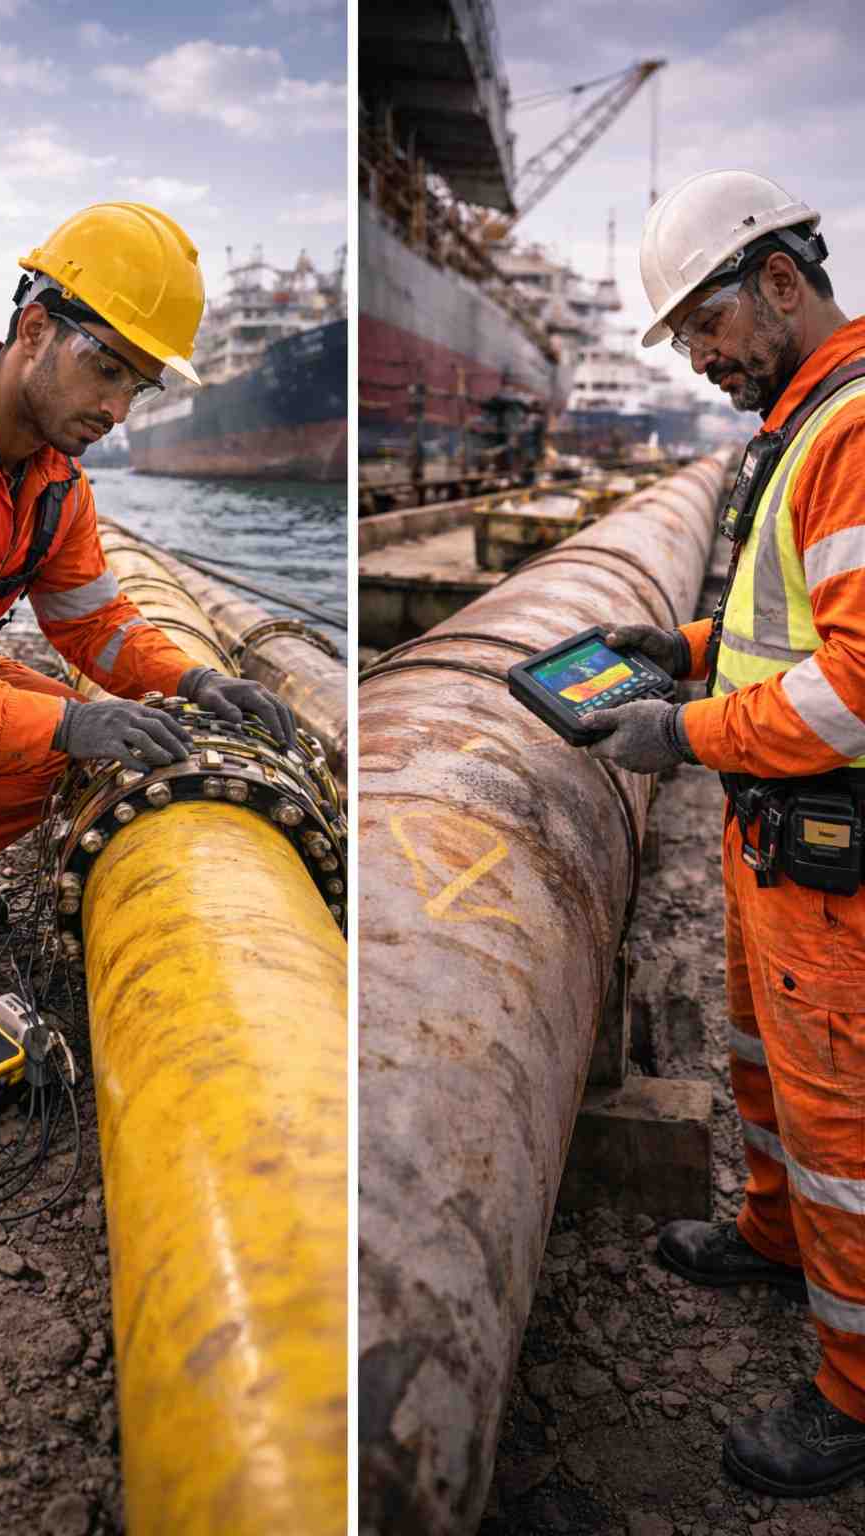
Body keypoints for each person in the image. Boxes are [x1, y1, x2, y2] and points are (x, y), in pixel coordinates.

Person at [578, 169, 865, 1499]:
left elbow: (855, 688)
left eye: (705, 325)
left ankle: (853, 1394)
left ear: (784, 283)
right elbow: (787, 620)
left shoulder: (854, 428)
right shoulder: (804, 425)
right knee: (757, 1063)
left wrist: (682, 733)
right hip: (777, 841)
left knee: (843, 1127)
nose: (699, 360)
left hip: (834, 855)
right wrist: (681, 645)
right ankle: (769, 1236)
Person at [0, 201, 295, 995]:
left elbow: (97, 628)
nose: (117, 412)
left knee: (63, 745)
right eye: (108, 368)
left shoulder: (56, 484)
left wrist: (193, 681)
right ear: (36, 329)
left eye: (138, 388)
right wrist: (71, 719)